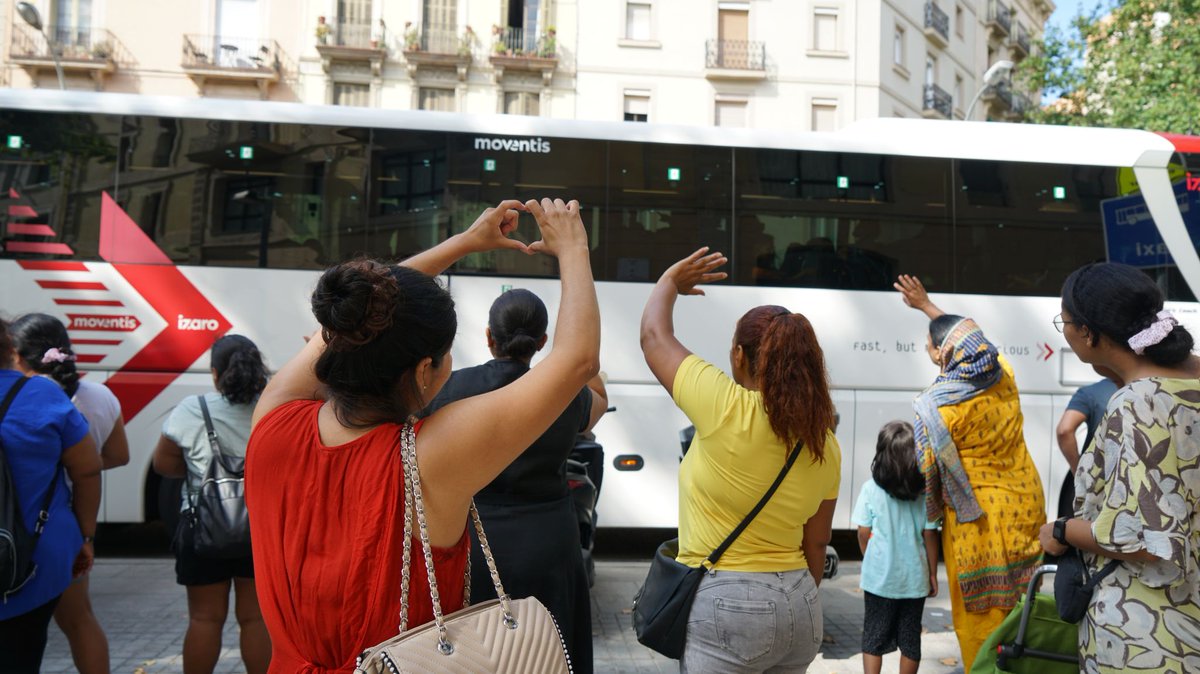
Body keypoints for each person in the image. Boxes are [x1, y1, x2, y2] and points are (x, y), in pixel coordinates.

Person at [244, 198, 600, 673]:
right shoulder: (430, 456)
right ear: (423, 370)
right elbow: (576, 361)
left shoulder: (272, 421)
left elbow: (348, 319)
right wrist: (574, 246)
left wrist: (462, 244)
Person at [640, 247, 842, 673]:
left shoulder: (724, 405)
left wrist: (668, 284)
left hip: (731, 604)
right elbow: (817, 543)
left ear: (738, 356)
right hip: (802, 606)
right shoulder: (824, 441)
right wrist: (788, 599)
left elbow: (655, 338)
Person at [422, 288, 608, 672]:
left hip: (471, 540)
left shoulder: (449, 389)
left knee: (473, 655)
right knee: (549, 655)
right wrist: (576, 361)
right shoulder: (562, 394)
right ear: (541, 342)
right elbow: (596, 391)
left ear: (489, 336)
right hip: (548, 543)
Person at [1039, 262, 1200, 674]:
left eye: (1067, 322)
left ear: (1090, 333)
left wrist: (1061, 531)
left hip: (1151, 635)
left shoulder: (1139, 403)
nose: (1067, 332)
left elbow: (1147, 540)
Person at [893, 274, 1045, 672]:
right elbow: (976, 342)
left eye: (930, 345)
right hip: (1025, 507)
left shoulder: (935, 409)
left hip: (975, 522)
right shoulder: (1003, 375)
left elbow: (931, 480)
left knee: (980, 611)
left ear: (940, 354)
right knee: (1020, 599)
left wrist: (930, 532)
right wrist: (927, 306)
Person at [9, 312, 129, 674]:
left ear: (17, 353)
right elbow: (119, 456)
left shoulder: (25, 397)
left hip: (23, 520)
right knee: (79, 621)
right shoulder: (99, 395)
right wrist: (78, 467)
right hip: (72, 525)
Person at [152, 335, 271, 674]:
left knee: (204, 618)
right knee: (255, 619)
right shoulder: (273, 405)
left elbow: (164, 465)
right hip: (259, 531)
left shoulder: (193, 409)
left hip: (201, 529)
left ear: (216, 374)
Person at [851, 421, 939, 674]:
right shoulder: (924, 493)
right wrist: (932, 573)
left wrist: (870, 557)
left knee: (873, 638)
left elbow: (863, 532)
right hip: (914, 580)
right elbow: (930, 534)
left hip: (879, 579)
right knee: (911, 640)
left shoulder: (870, 489)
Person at [1053, 376, 1118, 518]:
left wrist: (1079, 473)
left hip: (1097, 483)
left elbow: (1064, 430)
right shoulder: (1148, 390)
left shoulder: (1091, 392)